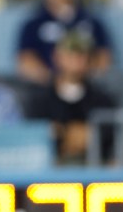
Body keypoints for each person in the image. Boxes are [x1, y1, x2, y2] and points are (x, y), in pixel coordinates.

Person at [24, 30, 116, 164]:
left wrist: (88, 136)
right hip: (49, 178)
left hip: (93, 175)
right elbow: (31, 139)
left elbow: (111, 143)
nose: (75, 60)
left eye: (81, 54)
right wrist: (65, 135)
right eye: (69, 53)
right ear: (56, 57)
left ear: (90, 59)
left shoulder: (103, 101)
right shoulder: (39, 101)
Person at [16, 0, 112, 85]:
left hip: (88, 92)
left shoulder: (93, 23)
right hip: (47, 93)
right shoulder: (33, 25)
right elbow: (26, 63)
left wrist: (81, 76)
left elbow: (103, 59)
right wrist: (57, 82)